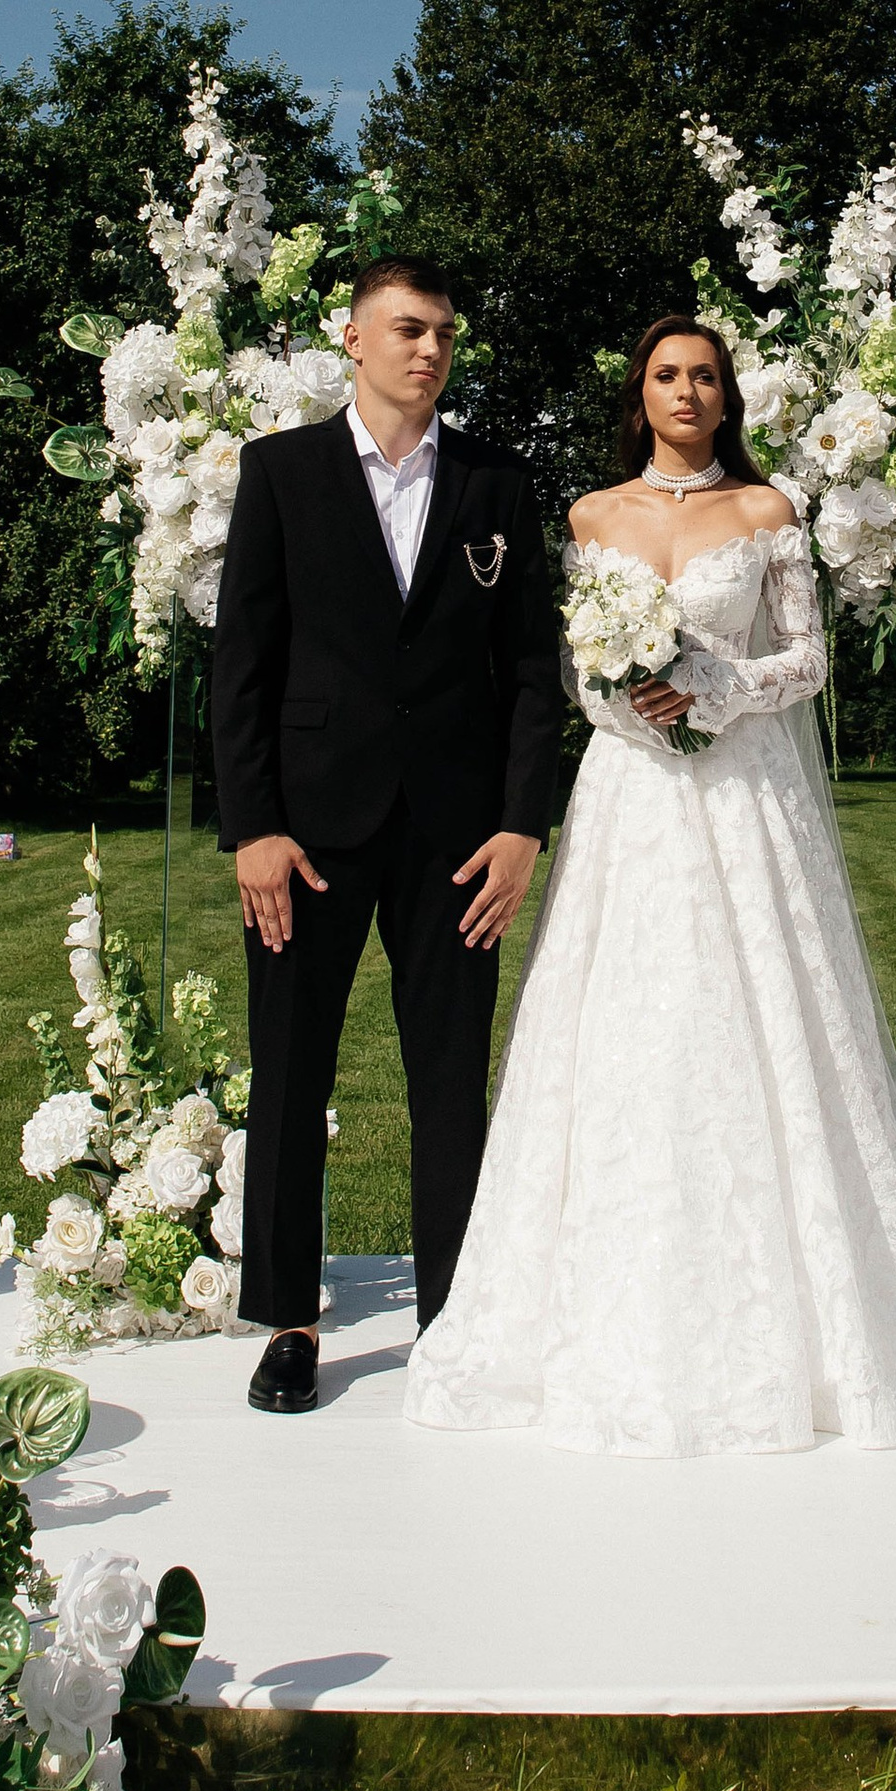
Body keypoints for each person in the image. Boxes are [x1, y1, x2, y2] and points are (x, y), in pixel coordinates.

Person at [404, 318, 896, 1456]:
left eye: (704, 375)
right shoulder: (590, 516)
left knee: (762, 1024)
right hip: (630, 803)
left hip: (745, 801)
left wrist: (715, 683)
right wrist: (624, 701)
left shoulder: (767, 513)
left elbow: (808, 659)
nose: (686, 391)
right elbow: (568, 666)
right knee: (625, 1026)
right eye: (666, 374)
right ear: (640, 394)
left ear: (726, 395)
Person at [211, 255, 563, 1414]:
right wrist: (251, 827)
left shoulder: (496, 484)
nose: (429, 351)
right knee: (291, 1075)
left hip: (457, 838)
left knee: (451, 1082)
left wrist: (522, 825)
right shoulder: (280, 474)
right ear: (351, 340)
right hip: (307, 830)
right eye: (408, 330)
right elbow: (243, 667)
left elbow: (528, 674)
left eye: (445, 335)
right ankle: (289, 1322)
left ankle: (454, 1317)